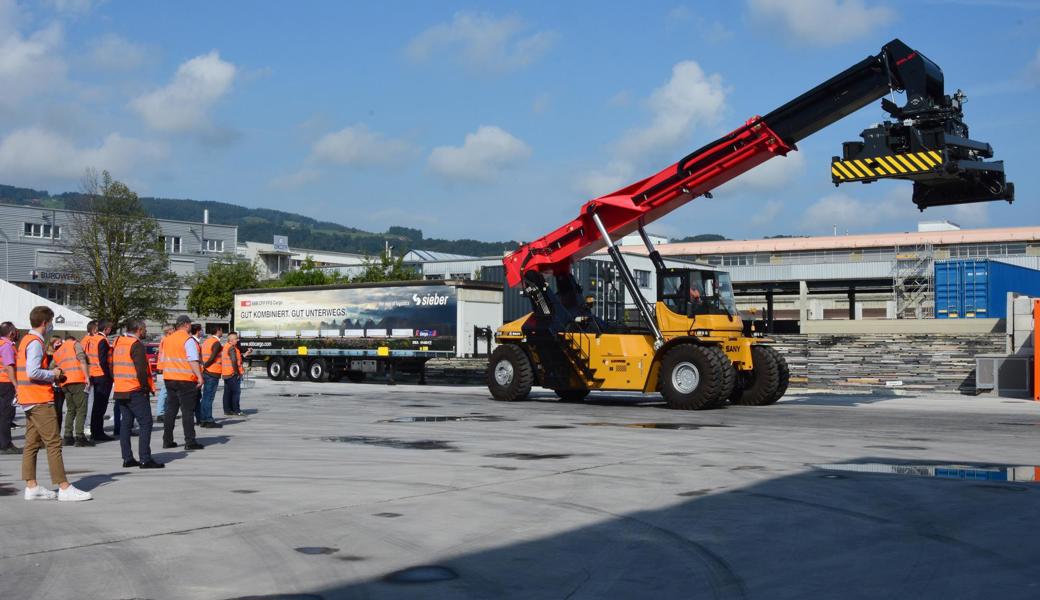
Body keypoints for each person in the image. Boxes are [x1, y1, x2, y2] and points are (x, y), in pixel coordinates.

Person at [18, 305, 92, 502]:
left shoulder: (26, 339)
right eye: (51, 322)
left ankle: (31, 486)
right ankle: (64, 486)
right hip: (39, 398)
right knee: (53, 443)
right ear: (45, 323)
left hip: (29, 398)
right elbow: (32, 372)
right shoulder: (35, 342)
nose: (52, 326)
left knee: (32, 444)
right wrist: (54, 374)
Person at [112, 320, 163, 469]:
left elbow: (112, 365)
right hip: (135, 389)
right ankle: (145, 458)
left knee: (126, 424)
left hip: (121, 389)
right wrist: (145, 388)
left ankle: (127, 458)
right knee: (146, 422)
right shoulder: (136, 344)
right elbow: (141, 370)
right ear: (139, 330)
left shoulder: (118, 342)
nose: (145, 331)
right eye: (145, 329)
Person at [162, 315, 204, 451]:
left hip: (169, 379)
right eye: (190, 324)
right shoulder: (188, 339)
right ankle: (190, 441)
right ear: (186, 325)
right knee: (187, 411)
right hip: (185, 380)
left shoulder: (168, 340)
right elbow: (192, 360)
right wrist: (199, 377)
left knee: (171, 410)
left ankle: (167, 440)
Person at [53, 334, 92, 447]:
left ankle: (68, 436)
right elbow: (82, 359)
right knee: (81, 409)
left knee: (71, 409)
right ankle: (80, 437)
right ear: (74, 339)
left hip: (65, 383)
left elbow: (53, 367)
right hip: (77, 380)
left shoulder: (59, 351)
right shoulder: (75, 344)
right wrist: (87, 377)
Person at [85, 319, 116, 442]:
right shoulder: (102, 340)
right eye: (109, 328)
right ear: (106, 329)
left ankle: (95, 431)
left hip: (93, 373)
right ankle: (98, 432)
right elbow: (103, 360)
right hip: (102, 375)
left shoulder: (92, 339)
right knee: (101, 406)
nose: (110, 330)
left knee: (96, 406)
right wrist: (109, 376)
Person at [197, 326, 224, 428]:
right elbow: (212, 357)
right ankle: (208, 419)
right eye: (221, 330)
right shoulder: (216, 343)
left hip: (207, 372)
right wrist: (206, 366)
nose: (222, 332)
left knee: (205, 397)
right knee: (209, 397)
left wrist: (204, 367)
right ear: (218, 331)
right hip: (212, 372)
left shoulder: (206, 341)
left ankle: (203, 419)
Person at [0, 321, 20, 454]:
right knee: (7, 414)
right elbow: (9, 366)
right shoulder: (7, 345)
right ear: (11, 333)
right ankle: (5, 444)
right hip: (6, 383)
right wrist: (15, 384)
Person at [221, 332, 250, 417]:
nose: (238, 340)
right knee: (236, 392)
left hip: (227, 373)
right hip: (233, 374)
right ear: (231, 340)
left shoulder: (226, 347)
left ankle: (227, 410)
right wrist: (237, 373)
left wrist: (244, 355)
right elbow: (234, 361)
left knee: (227, 393)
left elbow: (236, 359)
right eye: (236, 339)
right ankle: (236, 410)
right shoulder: (231, 348)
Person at [154, 325, 173, 423]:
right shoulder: (167, 340)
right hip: (167, 367)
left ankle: (163, 411)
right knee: (164, 391)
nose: (174, 331)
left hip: (165, 366)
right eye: (172, 329)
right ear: (169, 331)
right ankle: (160, 413)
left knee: (166, 391)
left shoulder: (164, 340)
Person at [47, 336, 65, 431]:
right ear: (52, 343)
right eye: (58, 342)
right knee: (51, 411)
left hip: (59, 386)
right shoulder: (47, 356)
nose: (60, 344)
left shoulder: (61, 354)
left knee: (59, 410)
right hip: (50, 386)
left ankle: (57, 432)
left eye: (61, 342)